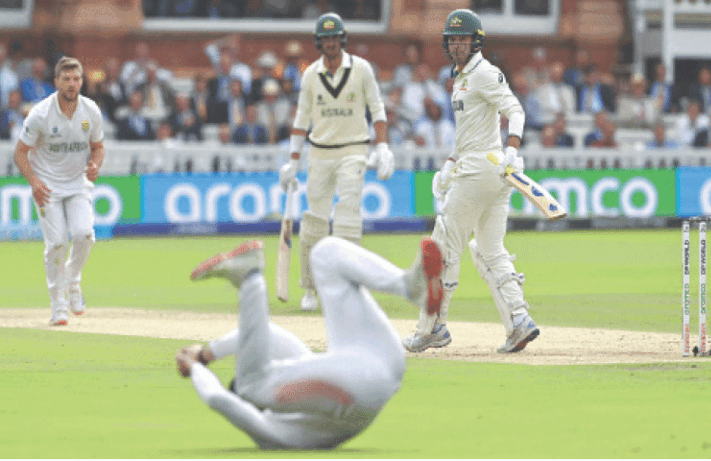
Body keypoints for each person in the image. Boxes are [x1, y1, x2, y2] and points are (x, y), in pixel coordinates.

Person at [175, 236, 443, 449]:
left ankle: (408, 285)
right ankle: (250, 280)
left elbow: (267, 334)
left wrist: (206, 356)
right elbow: (219, 399)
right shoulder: (269, 430)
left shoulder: (298, 388)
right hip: (365, 382)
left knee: (325, 255)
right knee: (250, 385)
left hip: (376, 363)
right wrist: (196, 364)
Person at [403, 9, 539, 354]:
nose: (457, 44)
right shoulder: (461, 77)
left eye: (463, 39)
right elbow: (468, 132)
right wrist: (450, 162)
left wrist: (512, 147)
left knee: (443, 247)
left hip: (484, 168)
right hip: (483, 171)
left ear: (476, 41)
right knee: (489, 249)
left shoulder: (485, 73)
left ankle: (432, 327)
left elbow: (516, 111)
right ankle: (518, 321)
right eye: (452, 39)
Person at [278, 13, 394, 311]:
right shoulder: (310, 75)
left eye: (334, 38)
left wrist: (382, 148)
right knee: (314, 223)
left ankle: (347, 286)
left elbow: (377, 109)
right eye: (325, 38)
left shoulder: (361, 69)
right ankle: (311, 288)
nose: (330, 43)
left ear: (342, 39)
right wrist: (293, 161)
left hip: (354, 149)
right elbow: (302, 118)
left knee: (347, 219)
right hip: (319, 153)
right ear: (319, 42)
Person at [13, 56, 105, 326]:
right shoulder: (40, 114)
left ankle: (73, 281)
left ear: (82, 81)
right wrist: (34, 183)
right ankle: (58, 306)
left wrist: (95, 166)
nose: (72, 84)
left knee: (85, 235)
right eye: (66, 79)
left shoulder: (91, 110)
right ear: (56, 82)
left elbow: (98, 147)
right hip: (48, 187)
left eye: (76, 79)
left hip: (78, 185)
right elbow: (20, 153)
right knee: (56, 244)